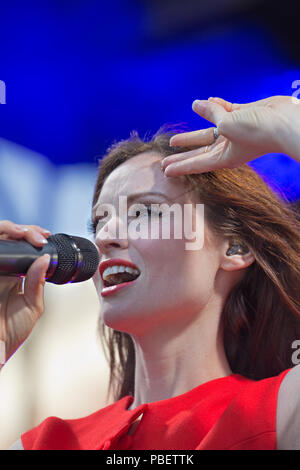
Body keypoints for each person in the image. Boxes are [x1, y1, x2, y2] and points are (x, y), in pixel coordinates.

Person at [2, 95, 300, 450]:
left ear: (235, 248)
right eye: (99, 221)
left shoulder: (276, 411)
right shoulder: (52, 443)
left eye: (144, 213)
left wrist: (288, 126)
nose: (106, 237)